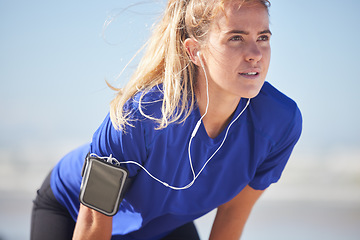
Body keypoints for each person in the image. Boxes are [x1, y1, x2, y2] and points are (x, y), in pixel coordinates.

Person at [31, 0, 302, 239]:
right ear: (195, 51)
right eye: (236, 38)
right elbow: (92, 221)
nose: (255, 53)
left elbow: (232, 213)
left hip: (161, 228)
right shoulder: (141, 116)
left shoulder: (279, 123)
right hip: (73, 212)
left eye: (263, 37)